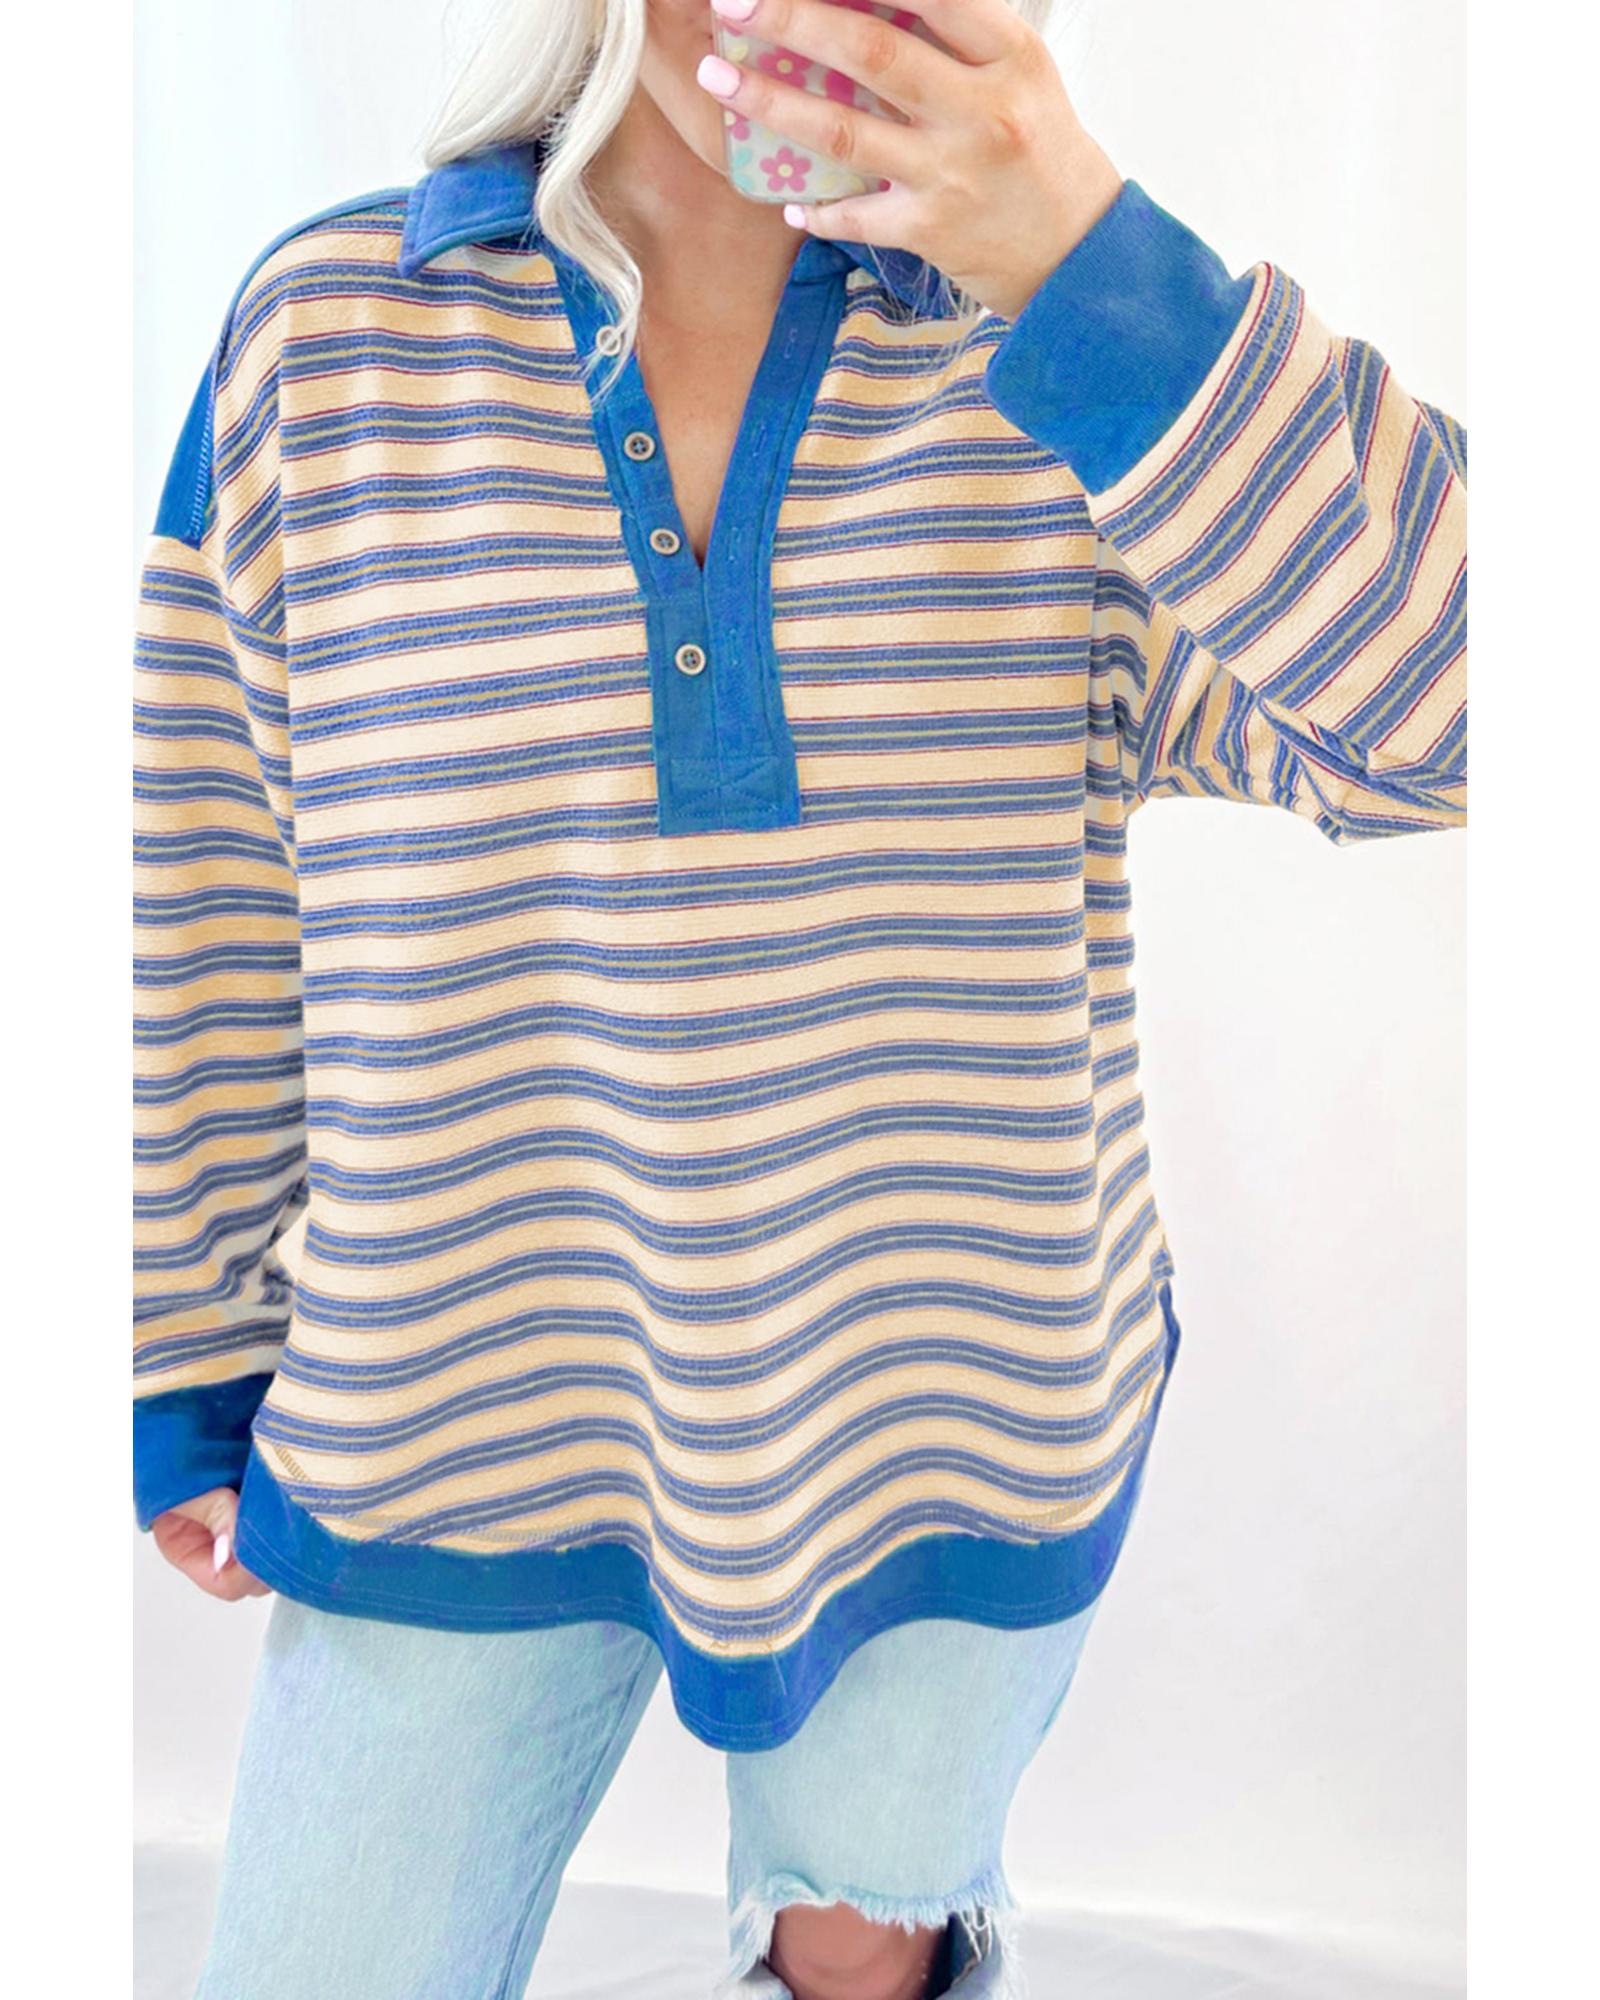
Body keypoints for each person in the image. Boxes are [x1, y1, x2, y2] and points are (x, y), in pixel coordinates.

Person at [131, 2, 1467, 1995]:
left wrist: (1091, 266)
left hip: (953, 1411)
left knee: (856, 1967)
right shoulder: (329, 338)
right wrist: (193, 1335)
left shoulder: (1079, 373)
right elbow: (218, 866)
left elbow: (1462, 716)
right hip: (451, 1408)